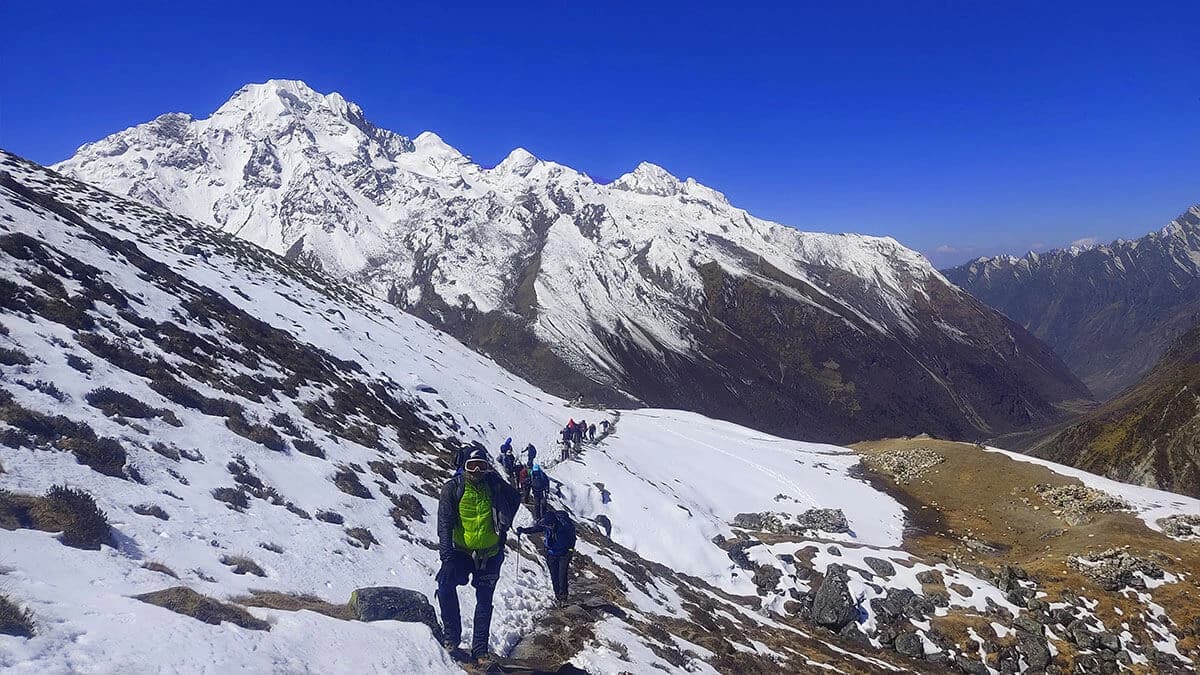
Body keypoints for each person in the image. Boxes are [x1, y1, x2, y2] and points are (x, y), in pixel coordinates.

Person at [436, 448, 521, 664]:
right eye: (471, 465)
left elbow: (516, 497)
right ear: (462, 466)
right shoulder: (452, 489)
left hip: (491, 554)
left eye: (481, 465)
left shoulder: (492, 484)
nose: (477, 471)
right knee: (445, 583)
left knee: (484, 601)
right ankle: (452, 636)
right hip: (461, 552)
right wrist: (446, 557)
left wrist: (505, 521)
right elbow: (444, 524)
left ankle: (480, 650)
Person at [517, 509, 577, 607]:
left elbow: (572, 539)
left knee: (562, 575)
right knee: (554, 575)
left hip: (564, 553)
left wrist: (570, 551)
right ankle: (558, 596)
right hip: (551, 553)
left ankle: (563, 597)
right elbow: (535, 529)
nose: (548, 527)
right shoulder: (547, 525)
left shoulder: (565, 526)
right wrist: (523, 530)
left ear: (554, 522)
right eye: (547, 525)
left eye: (549, 525)